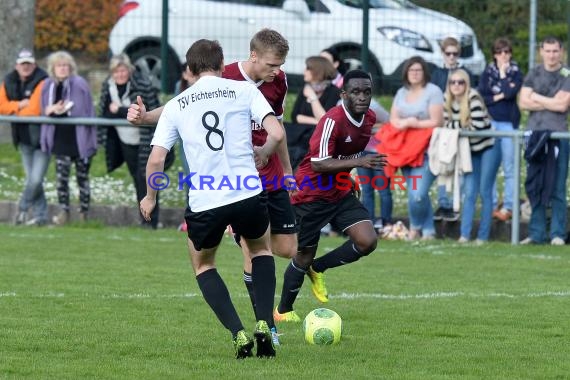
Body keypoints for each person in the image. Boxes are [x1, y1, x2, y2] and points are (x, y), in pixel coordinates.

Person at [127, 29, 295, 345]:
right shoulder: (243, 91)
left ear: (189, 71)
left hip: (206, 200)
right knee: (261, 250)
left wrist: (150, 198)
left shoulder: (179, 103)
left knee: (204, 265)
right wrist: (264, 151)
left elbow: (156, 160)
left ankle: (238, 333)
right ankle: (263, 325)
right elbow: (277, 131)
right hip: (247, 191)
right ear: (221, 65)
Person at [274, 70, 385, 323]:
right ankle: (283, 311)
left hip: (341, 191)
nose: (362, 97)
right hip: (311, 195)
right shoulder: (332, 120)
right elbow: (318, 164)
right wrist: (359, 161)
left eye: (367, 92)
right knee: (302, 256)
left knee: (368, 241)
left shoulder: (369, 118)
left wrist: (350, 174)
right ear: (343, 94)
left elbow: (344, 155)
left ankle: (319, 267)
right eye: (355, 92)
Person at [99, 53, 165, 229]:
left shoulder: (141, 84)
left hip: (145, 140)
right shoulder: (108, 86)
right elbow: (104, 112)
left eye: (123, 70)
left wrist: (119, 110)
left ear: (129, 70)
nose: (120, 74)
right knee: (137, 180)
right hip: (124, 140)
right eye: (116, 71)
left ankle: (151, 220)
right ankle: (143, 218)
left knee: (148, 180)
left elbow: (146, 113)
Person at [519, 36, 570, 246]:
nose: (551, 55)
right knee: (535, 185)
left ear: (561, 52)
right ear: (541, 52)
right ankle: (536, 233)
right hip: (534, 135)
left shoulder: (566, 73)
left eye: (555, 51)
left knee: (557, 186)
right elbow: (523, 102)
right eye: (547, 51)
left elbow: (562, 106)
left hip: (558, 135)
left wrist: (536, 98)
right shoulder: (534, 73)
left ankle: (557, 234)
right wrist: (549, 101)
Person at [386, 56, 443, 240]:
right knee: (414, 193)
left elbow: (437, 121)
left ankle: (415, 227)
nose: (415, 74)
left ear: (424, 72)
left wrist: (412, 123)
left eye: (418, 70)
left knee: (418, 193)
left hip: (426, 151)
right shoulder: (402, 92)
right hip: (405, 150)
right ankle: (428, 231)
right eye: (411, 70)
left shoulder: (433, 91)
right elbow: (393, 119)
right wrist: (402, 123)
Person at [40, 50, 96, 225]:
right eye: (59, 66)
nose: (63, 69)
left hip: (79, 138)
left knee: (82, 178)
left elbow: (85, 109)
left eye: (66, 66)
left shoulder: (79, 83)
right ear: (53, 68)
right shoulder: (48, 85)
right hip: (60, 138)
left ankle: (84, 214)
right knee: (61, 179)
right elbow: (44, 110)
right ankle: (64, 212)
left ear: (71, 68)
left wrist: (65, 109)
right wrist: (51, 110)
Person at [444, 69, 499, 243]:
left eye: (461, 82)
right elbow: (446, 124)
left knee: (485, 191)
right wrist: (462, 124)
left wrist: (458, 126)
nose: (456, 85)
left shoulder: (473, 98)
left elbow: (478, 128)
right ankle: (465, 235)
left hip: (489, 147)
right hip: (469, 150)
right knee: (469, 193)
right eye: (453, 82)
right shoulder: (447, 101)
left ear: (466, 83)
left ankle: (482, 236)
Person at [0, 49, 49, 226]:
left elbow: (35, 110)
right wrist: (19, 105)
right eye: (23, 64)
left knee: (35, 180)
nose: (26, 67)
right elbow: (1, 106)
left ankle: (21, 209)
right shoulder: (9, 80)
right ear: (17, 66)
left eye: (29, 64)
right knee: (33, 181)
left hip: (42, 139)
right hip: (23, 139)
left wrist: (14, 110)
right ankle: (41, 216)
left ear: (34, 65)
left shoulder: (43, 79)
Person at [478, 37, 523, 222]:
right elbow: (483, 97)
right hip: (490, 123)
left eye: (506, 52)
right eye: (499, 52)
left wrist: (504, 74)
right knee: (489, 168)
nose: (503, 55)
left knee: (510, 167)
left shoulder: (515, 72)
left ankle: (509, 206)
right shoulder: (487, 73)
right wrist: (500, 96)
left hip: (508, 124)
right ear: (494, 54)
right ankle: (492, 204)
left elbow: (511, 93)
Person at [431, 36, 475, 222]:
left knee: (460, 169)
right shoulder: (437, 73)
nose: (451, 57)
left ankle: (458, 205)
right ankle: (444, 204)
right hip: (444, 128)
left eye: (455, 54)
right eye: (448, 53)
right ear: (443, 54)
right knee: (443, 167)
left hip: (460, 127)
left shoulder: (464, 73)